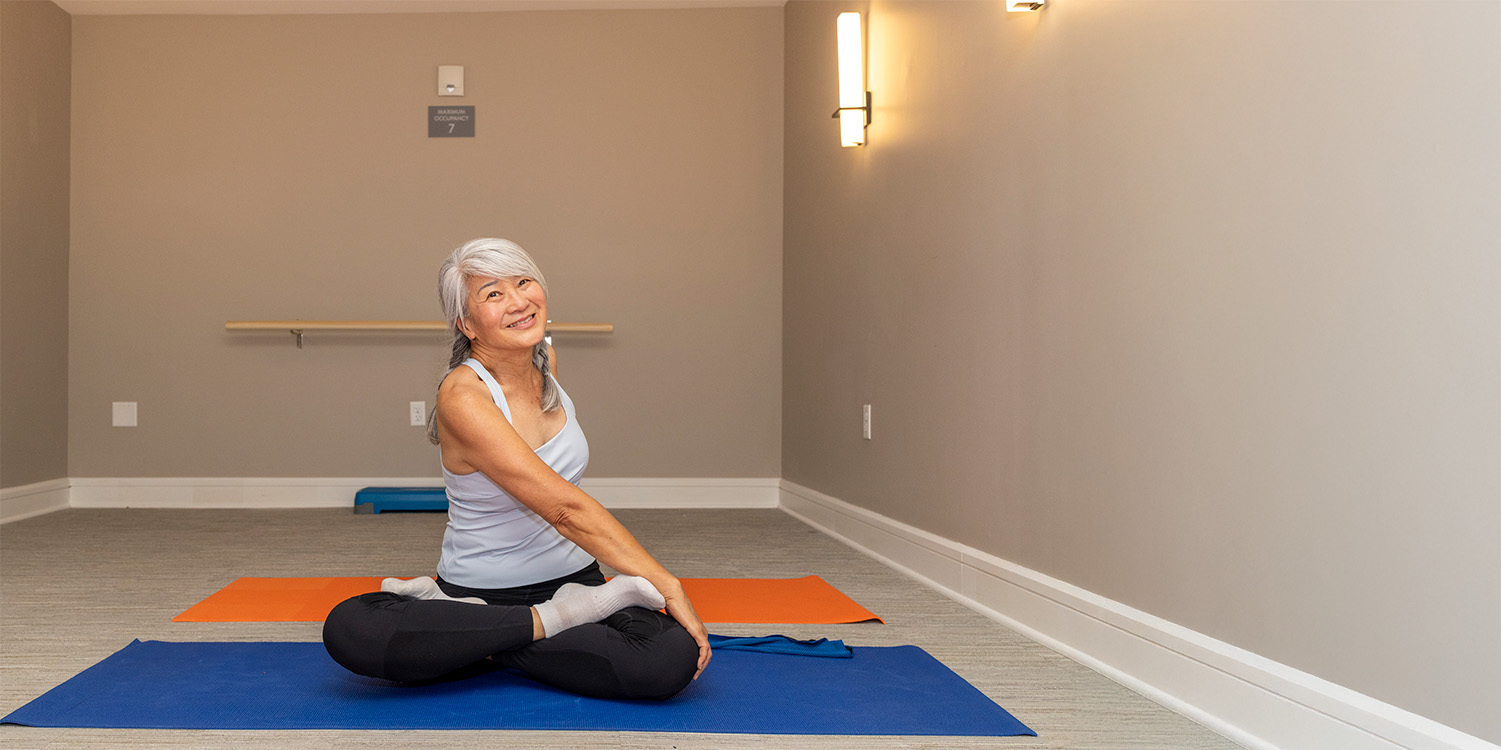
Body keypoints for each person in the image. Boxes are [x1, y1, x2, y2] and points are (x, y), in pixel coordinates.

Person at [323, 238, 709, 700]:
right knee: (350, 628)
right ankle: (550, 619)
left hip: (575, 580)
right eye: (493, 293)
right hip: (482, 594)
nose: (519, 301)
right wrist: (666, 584)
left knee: (667, 659)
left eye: (524, 282)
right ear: (467, 325)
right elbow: (563, 508)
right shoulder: (464, 396)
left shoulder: (547, 366)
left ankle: (470, 645)